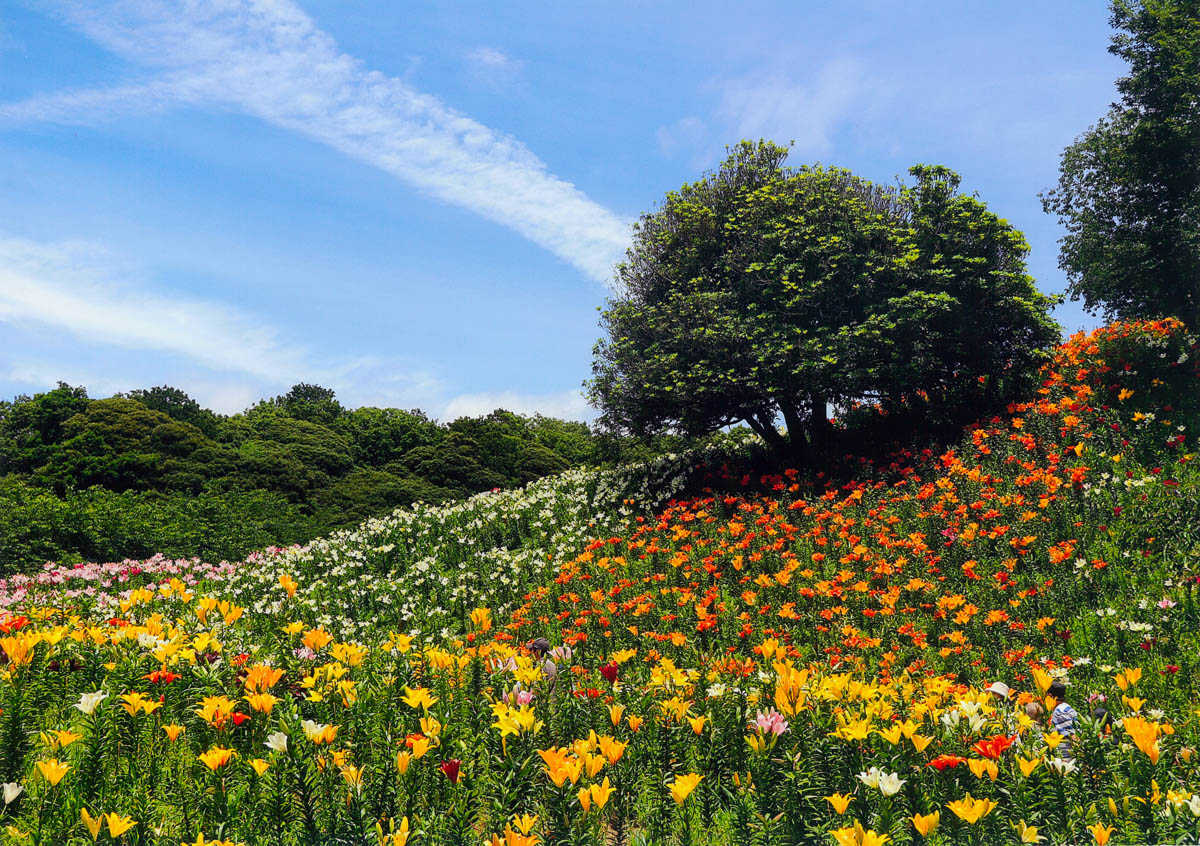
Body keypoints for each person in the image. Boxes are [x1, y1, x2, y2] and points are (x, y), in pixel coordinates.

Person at [1048, 679, 1079, 757]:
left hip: (1066, 757)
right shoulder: (1065, 708)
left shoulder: (1060, 712)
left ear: (1050, 696)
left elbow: (1073, 736)